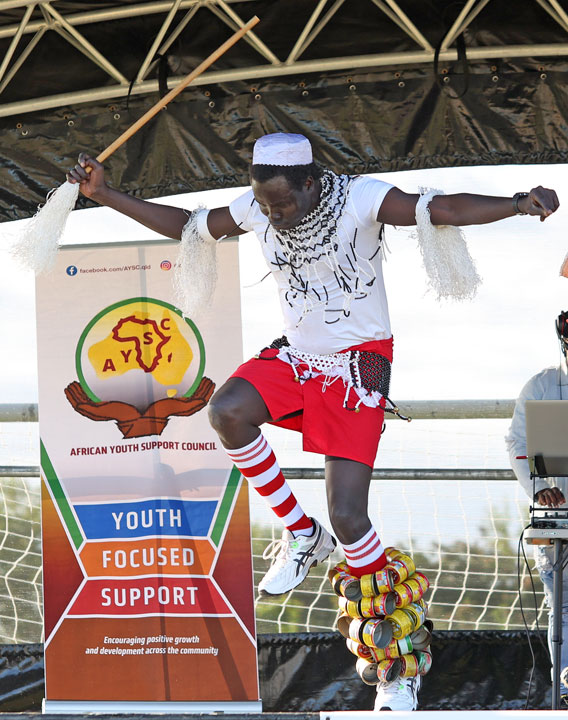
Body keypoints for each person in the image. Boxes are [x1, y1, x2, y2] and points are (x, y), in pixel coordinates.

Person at [68, 133, 559, 711]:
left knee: (350, 518)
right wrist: (106, 196)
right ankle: (302, 534)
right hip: (297, 358)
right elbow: (188, 224)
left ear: (310, 180)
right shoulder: (260, 207)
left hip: (357, 366)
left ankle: (396, 667)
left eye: (285, 203)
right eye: (267, 206)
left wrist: (519, 202)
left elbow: (443, 209)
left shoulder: (358, 198)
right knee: (226, 409)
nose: (276, 215)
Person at [506, 311, 568, 707]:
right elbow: (517, 442)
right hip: (559, 518)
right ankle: (564, 688)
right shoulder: (545, 386)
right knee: (561, 608)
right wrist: (539, 488)